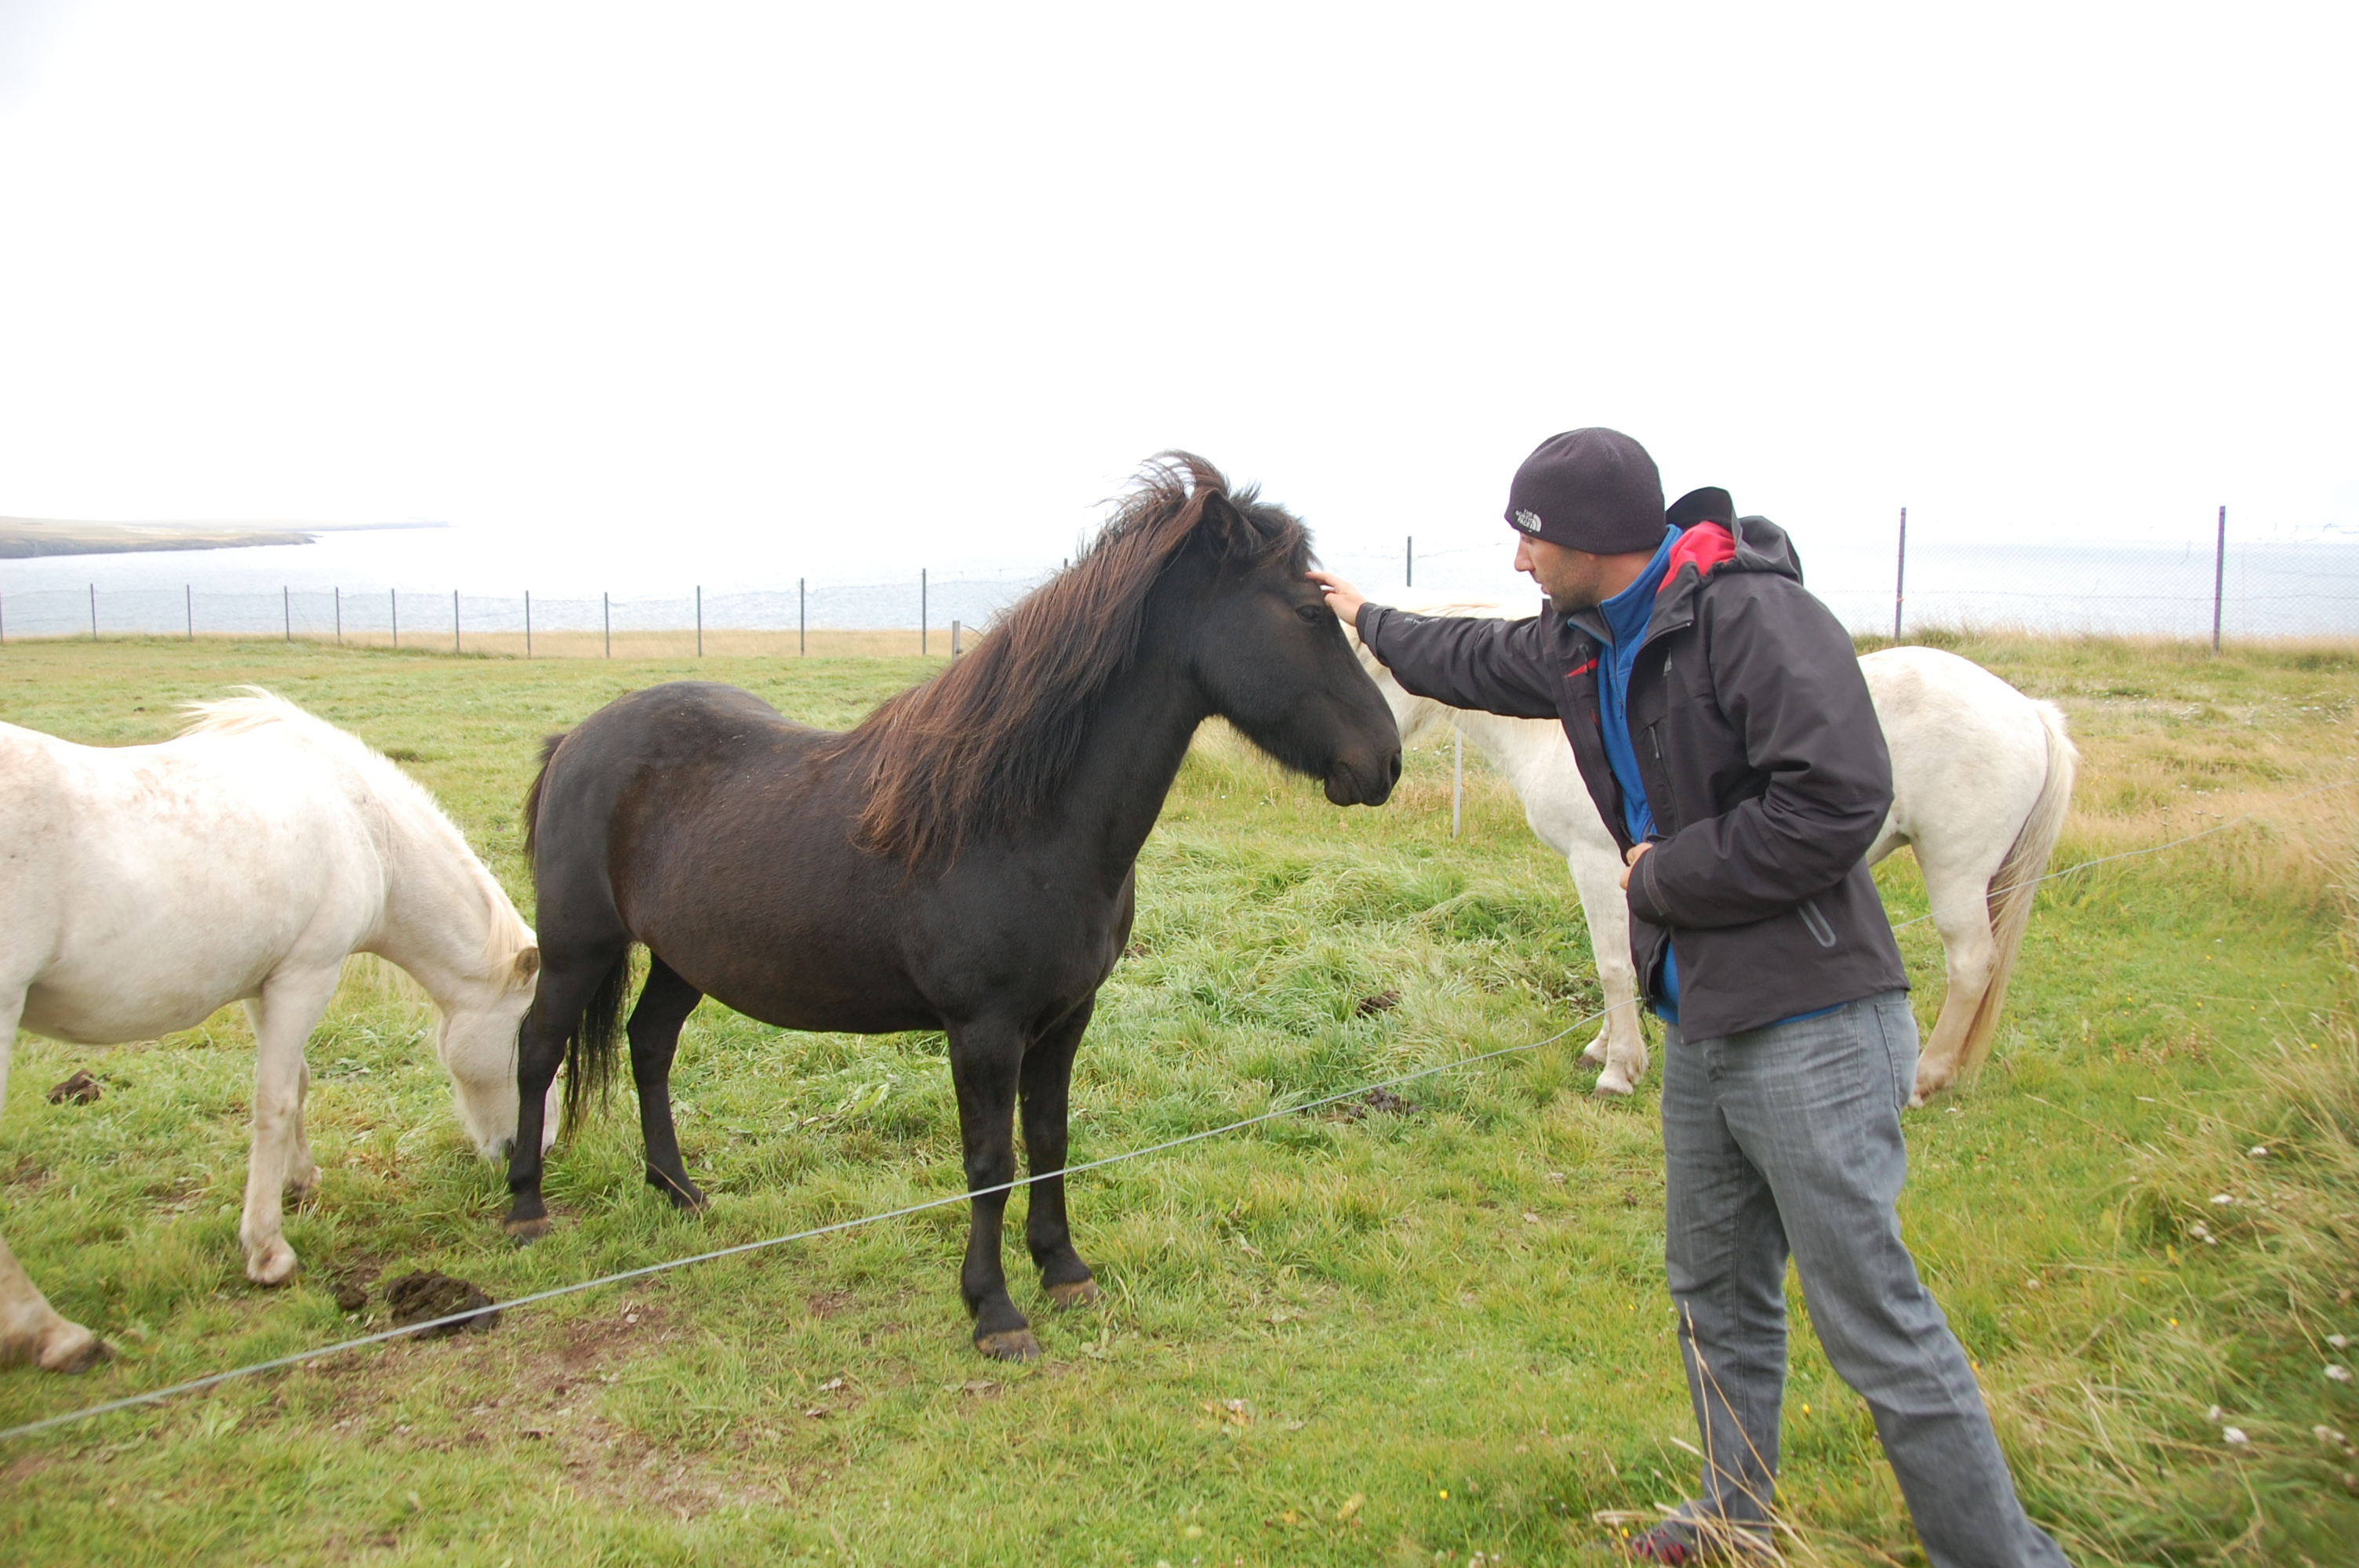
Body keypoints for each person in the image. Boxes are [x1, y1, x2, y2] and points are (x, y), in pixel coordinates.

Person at [1309, 429, 2067, 1567]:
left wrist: (1666, 875)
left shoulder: (1756, 621)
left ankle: (2003, 1557)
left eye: (1531, 539)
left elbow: (1838, 801)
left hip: (1813, 1019)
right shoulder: (1583, 640)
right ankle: (1732, 1517)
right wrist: (1371, 618)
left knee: (1874, 1325)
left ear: (1601, 539)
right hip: (1703, 1021)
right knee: (1715, 1294)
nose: (1518, 563)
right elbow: (1469, 655)